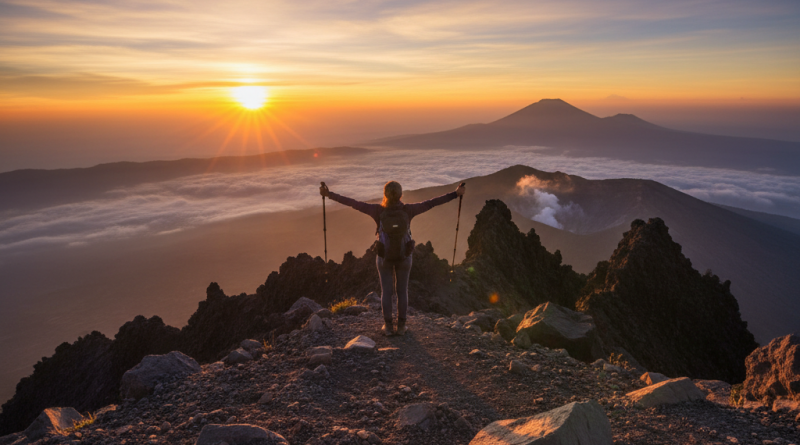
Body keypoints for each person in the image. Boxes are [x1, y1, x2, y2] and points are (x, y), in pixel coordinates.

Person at [319, 181, 466, 336]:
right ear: (401, 195)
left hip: (384, 258)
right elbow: (432, 203)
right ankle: (401, 327)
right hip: (404, 257)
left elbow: (353, 203)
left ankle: (388, 327)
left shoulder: (377, 211)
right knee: (402, 291)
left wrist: (329, 195)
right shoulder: (408, 210)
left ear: (385, 195)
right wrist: (455, 194)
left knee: (386, 292)